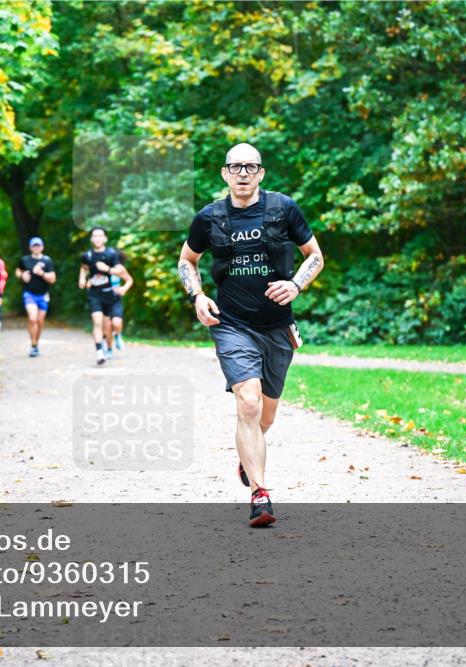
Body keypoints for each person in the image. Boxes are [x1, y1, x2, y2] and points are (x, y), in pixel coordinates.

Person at [177, 143, 324, 527]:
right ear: (224, 174)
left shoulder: (283, 208)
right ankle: (260, 494)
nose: (243, 173)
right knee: (248, 402)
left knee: (266, 415)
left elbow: (316, 256)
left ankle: (248, 454)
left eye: (251, 167)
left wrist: (295, 285)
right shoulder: (209, 218)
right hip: (232, 323)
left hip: (276, 326)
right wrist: (198, 296)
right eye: (235, 167)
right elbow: (187, 261)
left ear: (261, 173)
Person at [78, 227, 133, 366]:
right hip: (95, 294)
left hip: (111, 295)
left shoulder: (111, 254)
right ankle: (100, 352)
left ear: (105, 238)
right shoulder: (87, 255)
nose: (97, 238)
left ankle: (117, 336)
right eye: (94, 236)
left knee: (114, 324)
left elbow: (121, 272)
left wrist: (107, 269)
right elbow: (84, 268)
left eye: (100, 235)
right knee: (98, 323)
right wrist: (82, 279)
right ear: (91, 239)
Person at [16, 236, 56, 357]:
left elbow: (53, 279)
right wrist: (22, 276)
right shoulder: (25, 260)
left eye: (38, 246)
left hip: (43, 295)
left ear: (42, 247)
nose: (36, 248)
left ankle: (36, 344)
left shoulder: (47, 261)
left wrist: (42, 273)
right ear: (30, 247)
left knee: (40, 321)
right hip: (29, 293)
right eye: (34, 246)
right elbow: (18, 270)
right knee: (32, 319)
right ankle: (33, 345)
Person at [108, 249, 128, 352]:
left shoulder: (119, 268)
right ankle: (108, 349)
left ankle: (118, 335)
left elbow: (129, 280)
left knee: (116, 322)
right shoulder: (102, 267)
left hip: (115, 299)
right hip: (102, 299)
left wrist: (123, 289)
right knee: (106, 327)